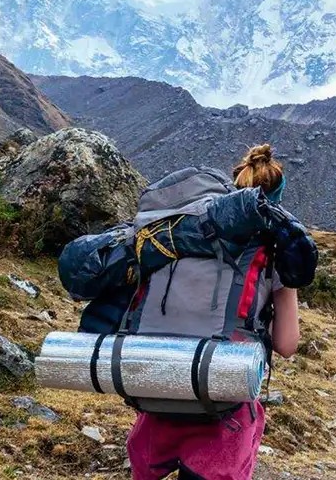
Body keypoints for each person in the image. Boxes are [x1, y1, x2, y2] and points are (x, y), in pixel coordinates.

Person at [126, 145, 301, 480]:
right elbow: (287, 343)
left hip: (158, 390)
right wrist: (287, 284)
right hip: (225, 407)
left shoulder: (183, 235)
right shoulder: (271, 251)